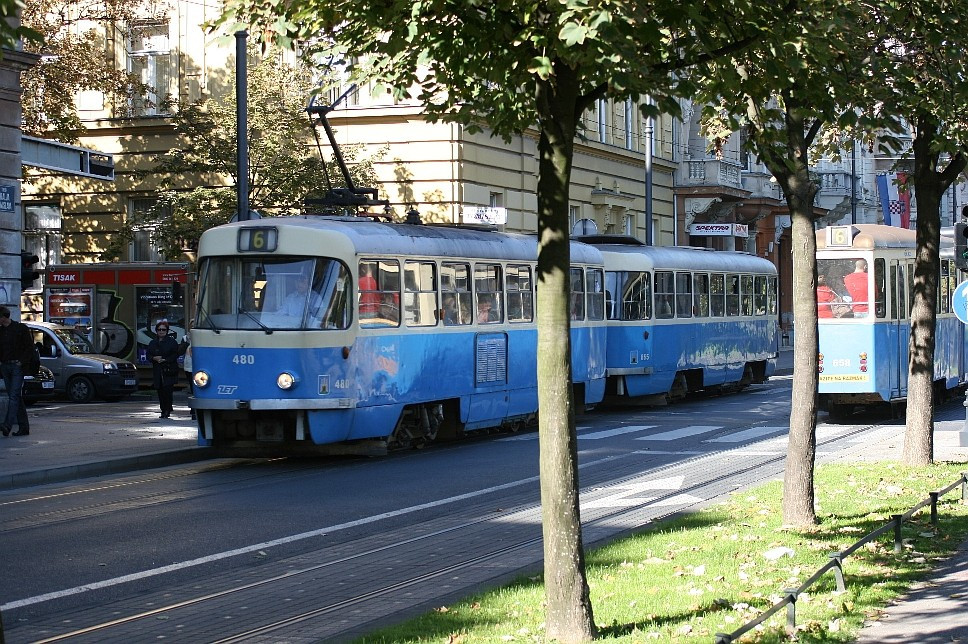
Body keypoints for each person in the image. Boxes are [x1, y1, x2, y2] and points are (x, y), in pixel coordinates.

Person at [0, 306, 33, 437]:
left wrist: (21, 362)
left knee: (13, 396)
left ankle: (7, 425)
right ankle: (24, 427)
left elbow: (29, 348)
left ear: (4, 317)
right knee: (16, 397)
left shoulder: (20, 329)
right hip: (5, 366)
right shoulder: (1, 331)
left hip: (17, 366)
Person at [146, 319, 180, 419]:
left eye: (163, 330)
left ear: (167, 331)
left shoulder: (171, 342)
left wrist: (165, 360)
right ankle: (163, 409)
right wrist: (154, 358)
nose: (161, 331)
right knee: (160, 391)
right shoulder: (153, 342)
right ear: (156, 331)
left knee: (167, 391)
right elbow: (149, 355)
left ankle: (167, 409)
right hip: (157, 370)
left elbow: (175, 354)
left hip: (168, 370)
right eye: (159, 329)